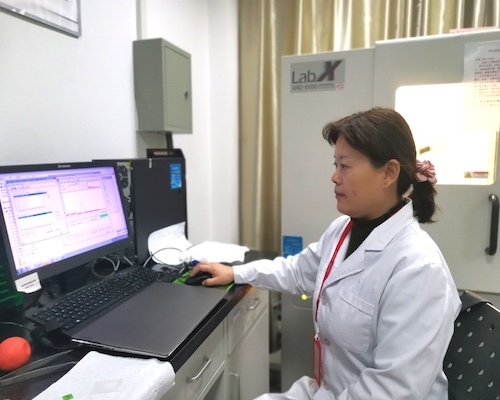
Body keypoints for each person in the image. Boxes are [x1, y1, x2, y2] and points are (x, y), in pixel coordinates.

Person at [191, 107, 461, 400]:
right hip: (329, 391)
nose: (334, 177)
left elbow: (392, 391)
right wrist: (235, 272)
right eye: (336, 165)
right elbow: (297, 271)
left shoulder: (418, 269)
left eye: (345, 166)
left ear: (389, 173)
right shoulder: (342, 230)